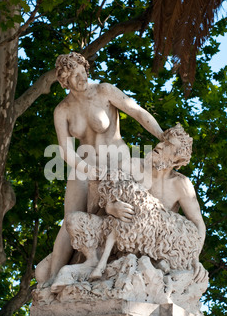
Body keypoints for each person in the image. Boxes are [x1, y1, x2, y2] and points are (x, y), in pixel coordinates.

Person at [35, 52, 164, 287]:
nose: (81, 78)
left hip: (118, 162)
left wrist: (163, 136)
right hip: (84, 166)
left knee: (129, 208)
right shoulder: (62, 110)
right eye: (74, 76)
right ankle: (51, 280)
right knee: (69, 221)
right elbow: (65, 150)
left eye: (82, 72)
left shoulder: (104, 91)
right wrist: (88, 170)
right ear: (64, 81)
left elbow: (137, 112)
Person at [107, 123, 206, 251]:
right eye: (162, 141)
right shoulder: (132, 166)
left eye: (167, 145)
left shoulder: (180, 184)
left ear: (176, 160)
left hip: (156, 246)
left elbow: (198, 224)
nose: (159, 145)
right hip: (120, 237)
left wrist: (193, 258)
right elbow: (103, 195)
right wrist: (111, 207)